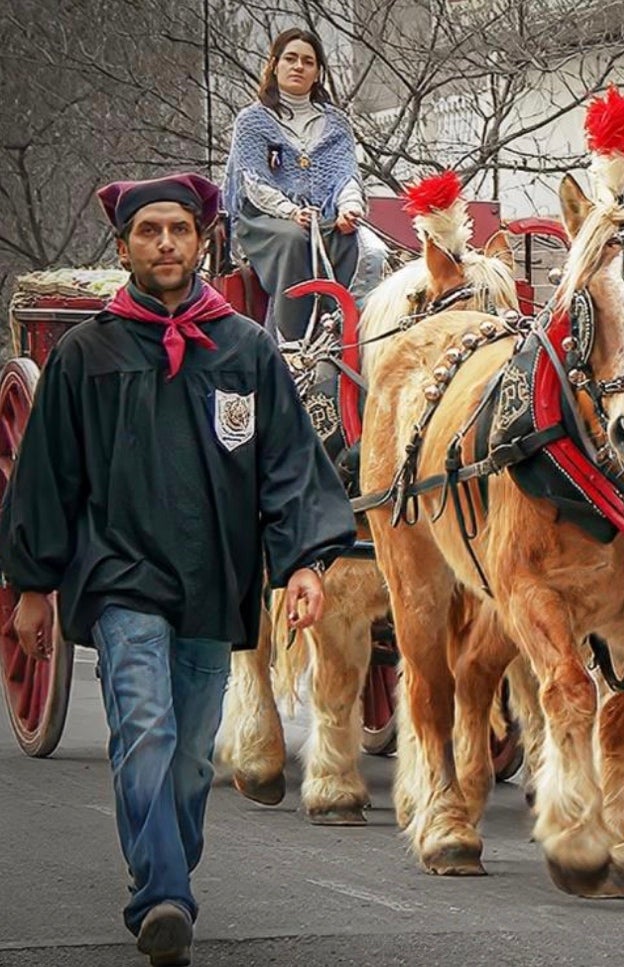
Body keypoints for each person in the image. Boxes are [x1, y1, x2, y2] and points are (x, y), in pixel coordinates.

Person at [0, 173, 356, 966]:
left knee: (194, 752)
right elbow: (47, 475)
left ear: (202, 242)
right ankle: (162, 893)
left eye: (179, 230)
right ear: (123, 246)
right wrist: (30, 587)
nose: (165, 243)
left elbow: (289, 465)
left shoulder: (245, 349)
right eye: (149, 231)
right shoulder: (88, 354)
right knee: (147, 726)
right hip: (119, 571)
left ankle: (165, 864)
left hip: (211, 573)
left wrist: (302, 561)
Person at [223, 27, 366, 343]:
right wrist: (289, 212)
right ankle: (291, 341)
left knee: (353, 242)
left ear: (317, 72)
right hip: (265, 220)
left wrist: (349, 208)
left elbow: (346, 175)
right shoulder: (252, 120)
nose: (298, 66)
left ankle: (336, 333)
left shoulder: (337, 123)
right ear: (275, 65)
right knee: (293, 240)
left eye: (308, 61)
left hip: (323, 217)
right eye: (290, 58)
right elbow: (253, 180)